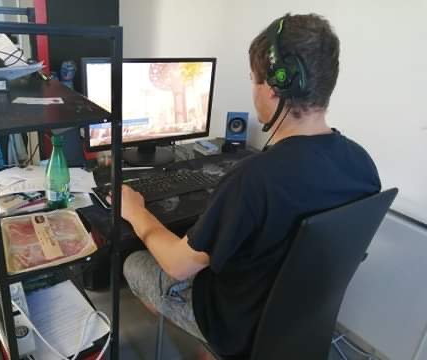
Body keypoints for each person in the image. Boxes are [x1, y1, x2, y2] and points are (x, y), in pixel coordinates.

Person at [115, 13, 381, 359]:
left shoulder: (255, 179)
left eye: (253, 80)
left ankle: (213, 346)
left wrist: (136, 213)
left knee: (133, 262)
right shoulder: (362, 164)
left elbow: (177, 266)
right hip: (298, 318)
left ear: (273, 88)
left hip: (233, 324)